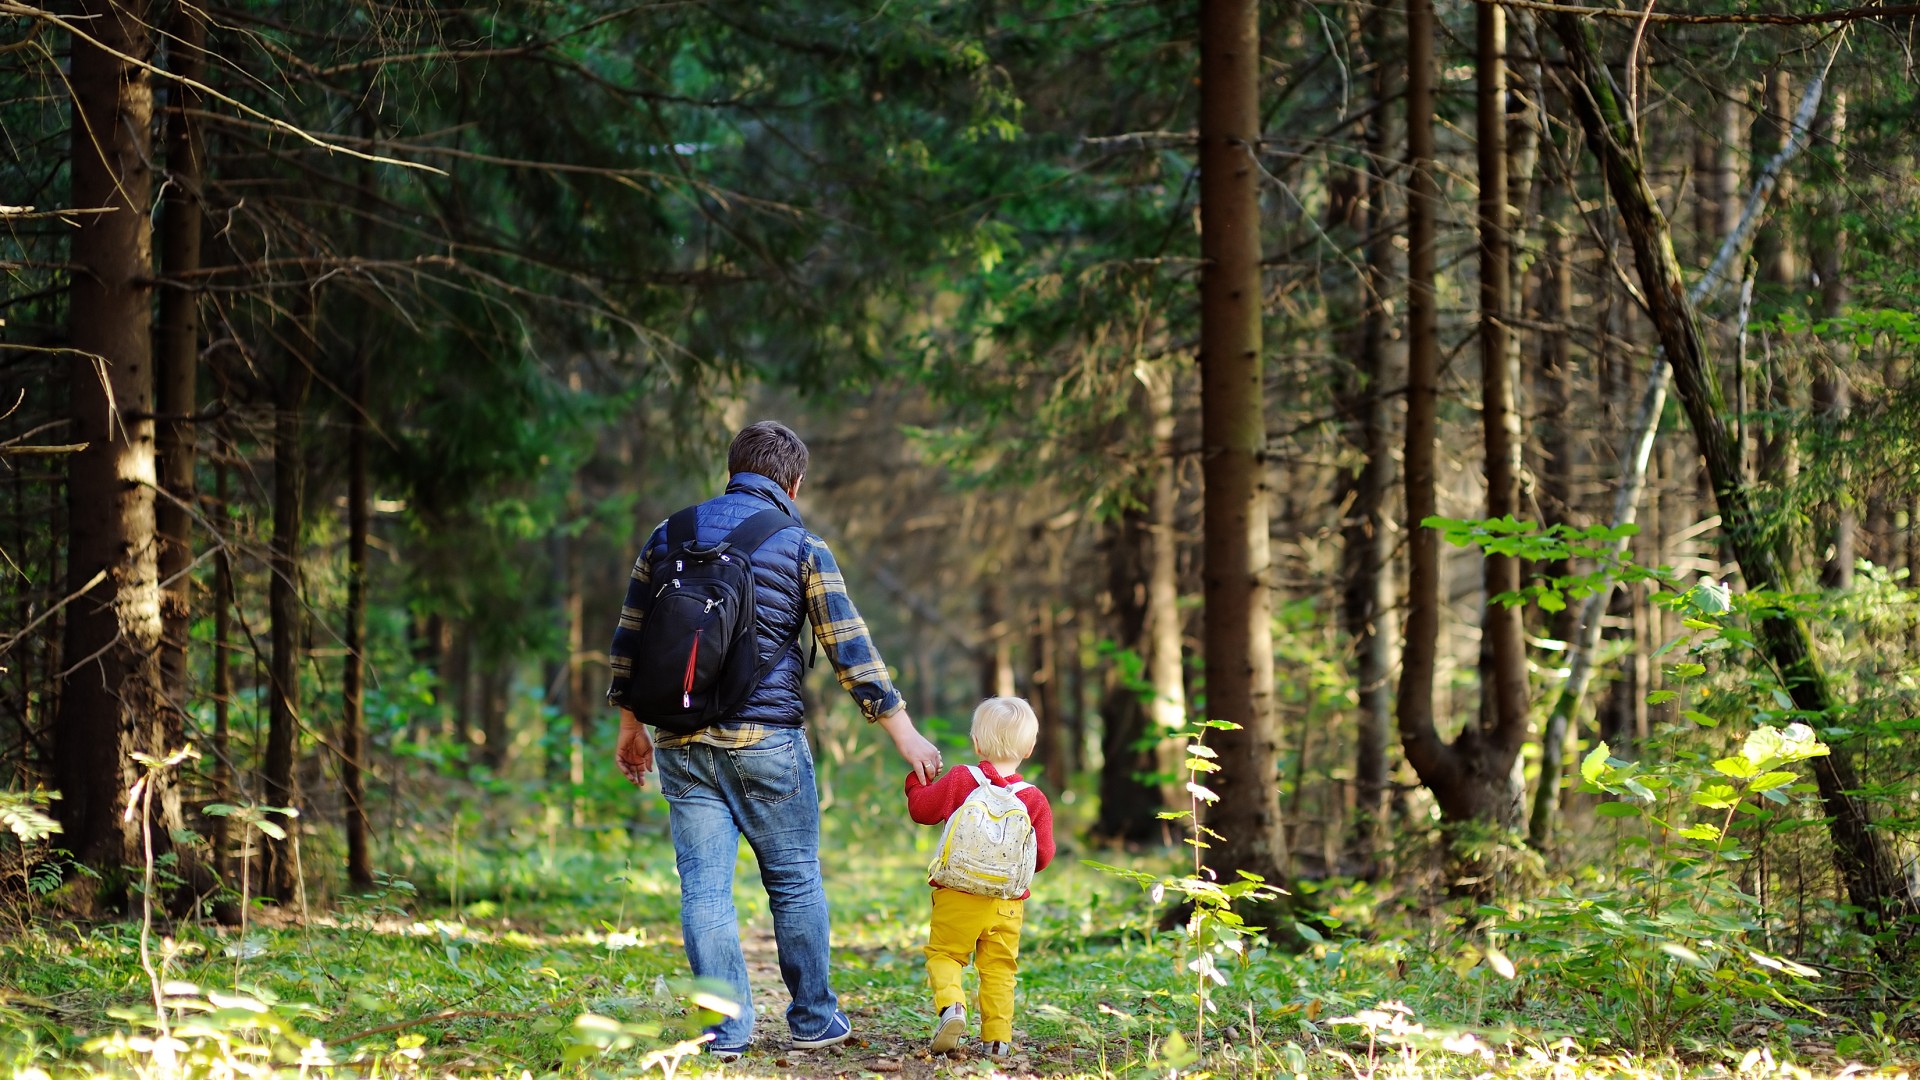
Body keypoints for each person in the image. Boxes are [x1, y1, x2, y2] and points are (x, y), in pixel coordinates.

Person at [607, 420, 943, 1061]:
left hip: (680, 741)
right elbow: (850, 648)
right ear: (793, 481)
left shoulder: (668, 535)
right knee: (792, 882)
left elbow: (631, 637)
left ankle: (724, 1032)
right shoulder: (799, 544)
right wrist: (902, 730)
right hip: (767, 743)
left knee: (703, 889)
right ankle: (814, 1018)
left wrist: (631, 727)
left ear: (733, 469)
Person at [904, 696, 1056, 1058]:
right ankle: (998, 1040)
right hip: (1006, 905)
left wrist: (915, 781)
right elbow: (1043, 857)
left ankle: (953, 1007)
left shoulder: (960, 778)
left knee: (944, 955)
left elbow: (921, 810)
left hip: (957, 894)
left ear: (976, 743)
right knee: (1000, 969)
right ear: (1030, 747)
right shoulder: (1034, 799)